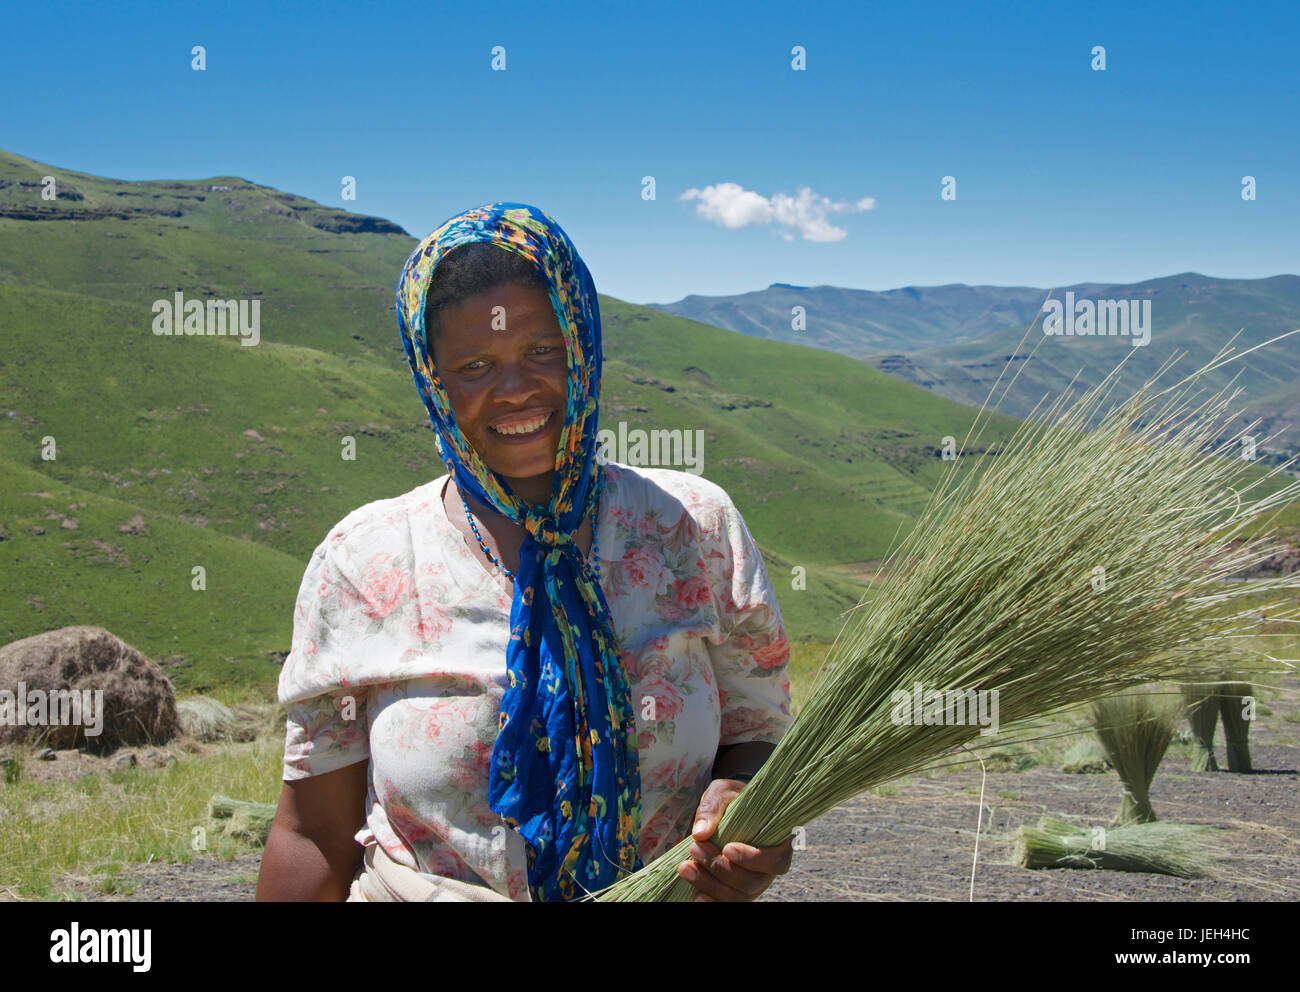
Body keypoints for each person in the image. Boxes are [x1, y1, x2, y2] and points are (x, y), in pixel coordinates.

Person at [256, 202, 794, 902]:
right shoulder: (364, 562)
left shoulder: (693, 527)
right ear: (434, 380)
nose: (514, 390)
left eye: (542, 350)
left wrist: (745, 804)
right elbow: (312, 836)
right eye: (475, 365)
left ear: (583, 344)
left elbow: (756, 731)